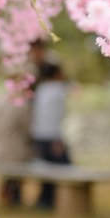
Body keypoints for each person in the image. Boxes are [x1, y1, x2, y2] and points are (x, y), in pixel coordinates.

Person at [0, 72, 35, 205]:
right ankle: (12, 193)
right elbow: (28, 130)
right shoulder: (22, 105)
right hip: (14, 152)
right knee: (32, 153)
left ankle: (9, 191)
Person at [30, 61, 70, 210]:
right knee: (65, 169)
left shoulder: (40, 89)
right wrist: (58, 139)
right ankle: (58, 203)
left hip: (38, 135)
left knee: (47, 170)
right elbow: (57, 116)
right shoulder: (59, 89)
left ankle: (45, 202)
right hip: (52, 136)